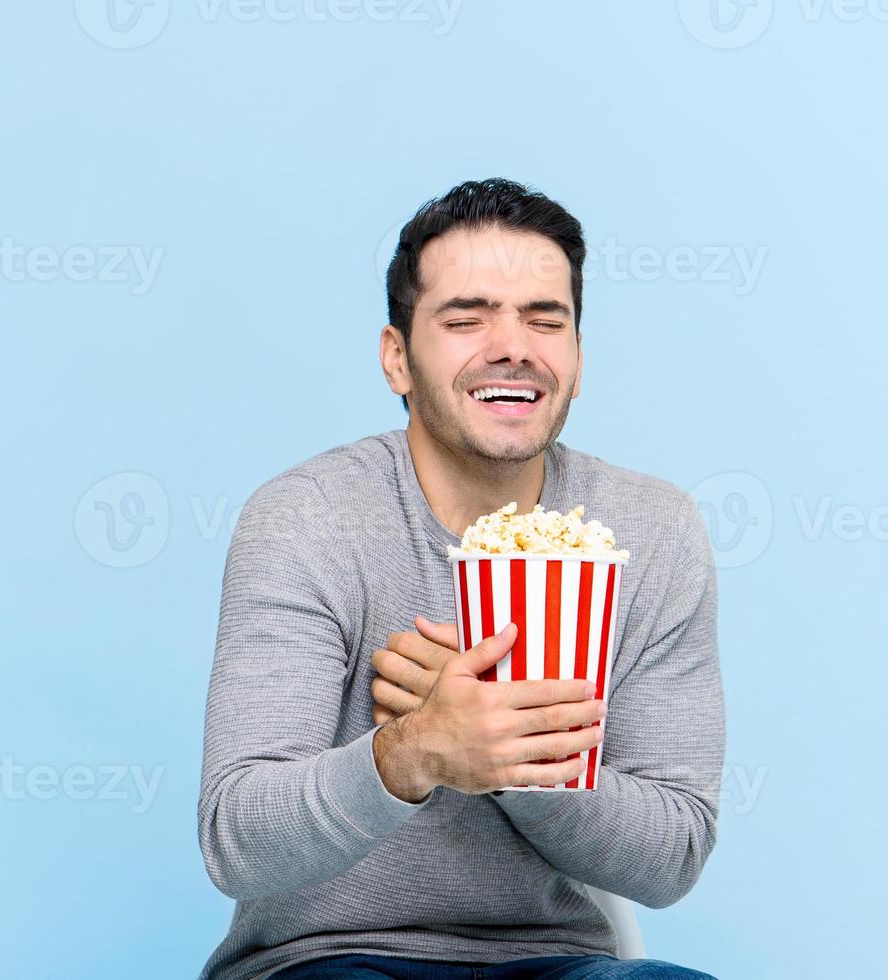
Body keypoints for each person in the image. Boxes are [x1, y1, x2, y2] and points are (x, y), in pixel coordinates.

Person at [196, 179, 724, 980]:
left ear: (577, 361)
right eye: (465, 318)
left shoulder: (651, 529)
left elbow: (671, 856)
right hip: (327, 961)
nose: (512, 345)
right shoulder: (306, 518)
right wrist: (412, 754)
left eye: (546, 319)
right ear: (396, 358)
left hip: (556, 964)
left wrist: (504, 749)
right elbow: (238, 841)